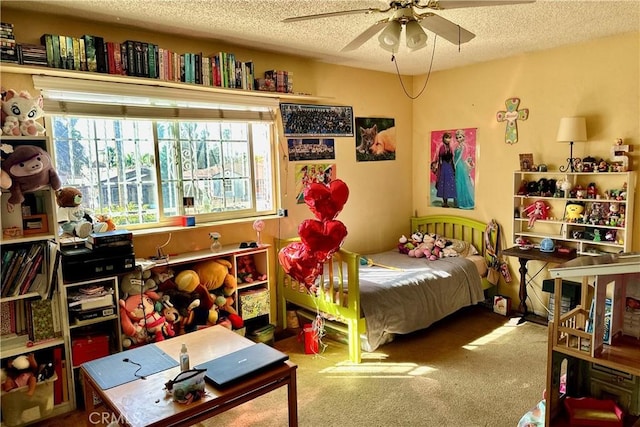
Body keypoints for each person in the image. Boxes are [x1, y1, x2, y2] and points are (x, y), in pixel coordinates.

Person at [454, 129, 475, 209]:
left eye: (460, 137)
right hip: (458, 165)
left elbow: (460, 157)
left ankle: (463, 202)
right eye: (457, 137)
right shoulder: (458, 146)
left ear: (463, 137)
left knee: (462, 182)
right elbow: (455, 156)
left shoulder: (463, 146)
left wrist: (455, 164)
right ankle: (458, 202)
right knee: (458, 183)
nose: (458, 139)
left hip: (460, 165)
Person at [435, 132, 457, 207]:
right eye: (446, 138)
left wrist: (452, 167)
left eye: (449, 138)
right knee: (444, 183)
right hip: (444, 167)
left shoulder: (450, 147)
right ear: (443, 138)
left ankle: (447, 201)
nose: (448, 139)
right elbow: (440, 159)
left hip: (449, 167)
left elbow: (451, 158)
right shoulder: (442, 147)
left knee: (448, 184)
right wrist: (440, 168)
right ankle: (445, 202)